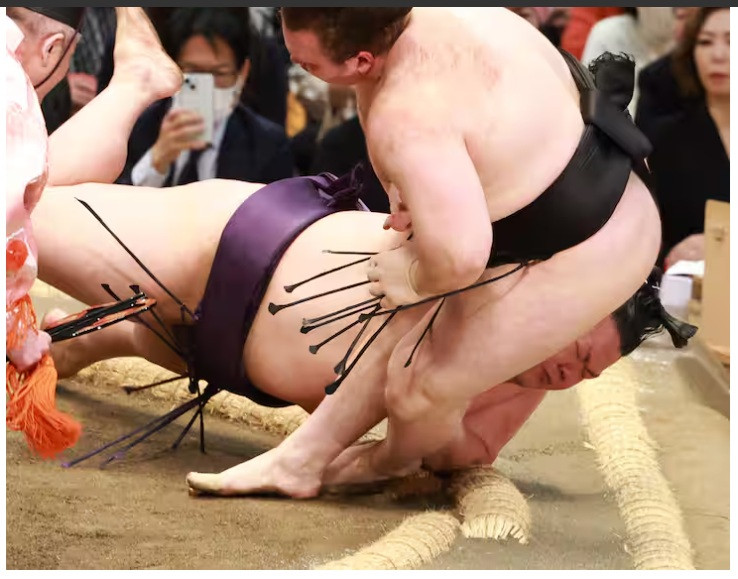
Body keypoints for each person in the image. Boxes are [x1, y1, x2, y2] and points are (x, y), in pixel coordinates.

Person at [185, 7, 661, 497]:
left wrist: (412, 276)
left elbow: (461, 259)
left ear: (361, 59)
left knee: (420, 382)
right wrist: (405, 191)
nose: (295, 65)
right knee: (398, 318)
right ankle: (300, 460)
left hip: (606, 235)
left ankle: (387, 462)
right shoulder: (410, 23)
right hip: (548, 189)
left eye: (308, 64)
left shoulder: (406, 110)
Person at [30, 174, 694, 485]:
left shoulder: (530, 374)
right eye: (572, 350)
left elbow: (463, 450)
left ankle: (95, 338)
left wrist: (433, 425)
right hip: (232, 243)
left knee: (147, 330)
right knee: (22, 213)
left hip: (234, 356)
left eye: (585, 373)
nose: (564, 373)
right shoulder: (504, 261)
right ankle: (136, 82)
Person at [6, 6, 182, 457]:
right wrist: (15, 330)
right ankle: (133, 86)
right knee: (39, 199)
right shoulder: (12, 92)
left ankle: (133, 85)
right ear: (51, 48)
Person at [118, 8, 294, 187]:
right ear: (173, 68)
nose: (208, 85)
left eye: (219, 73)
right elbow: (113, 198)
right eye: (193, 72)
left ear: (242, 73)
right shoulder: (137, 127)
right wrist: (155, 160)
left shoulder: (268, 145)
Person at [647, 7, 730, 270]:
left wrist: (724, 245)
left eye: (732, 42)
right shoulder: (664, 139)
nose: (718, 55)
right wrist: (674, 253)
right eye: (705, 42)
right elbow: (644, 235)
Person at [635, 7, 701, 146]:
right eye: (681, 17)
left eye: (698, 18)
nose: (690, 26)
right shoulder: (656, 77)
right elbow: (645, 140)